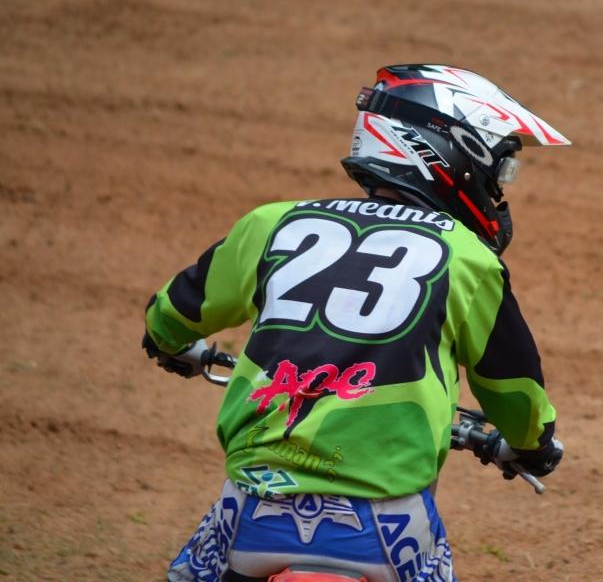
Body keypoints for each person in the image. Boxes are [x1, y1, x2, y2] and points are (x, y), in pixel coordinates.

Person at [142, 64, 568, 582]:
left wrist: (169, 342)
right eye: (498, 171)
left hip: (253, 516)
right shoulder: (468, 259)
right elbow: (513, 388)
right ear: (451, 154)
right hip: (387, 531)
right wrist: (534, 445)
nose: (497, 190)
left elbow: (172, 312)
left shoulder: (272, 224)